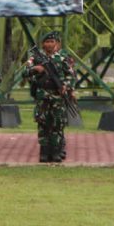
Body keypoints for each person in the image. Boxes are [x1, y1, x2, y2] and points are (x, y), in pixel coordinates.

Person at [26, 31, 75, 163]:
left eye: (52, 42)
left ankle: (56, 150)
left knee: (57, 123)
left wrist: (66, 86)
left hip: (57, 96)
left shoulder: (63, 59)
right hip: (42, 96)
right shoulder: (36, 58)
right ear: (43, 44)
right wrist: (36, 69)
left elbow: (71, 75)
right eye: (47, 42)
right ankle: (44, 151)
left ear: (57, 44)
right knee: (43, 123)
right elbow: (25, 72)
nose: (49, 44)